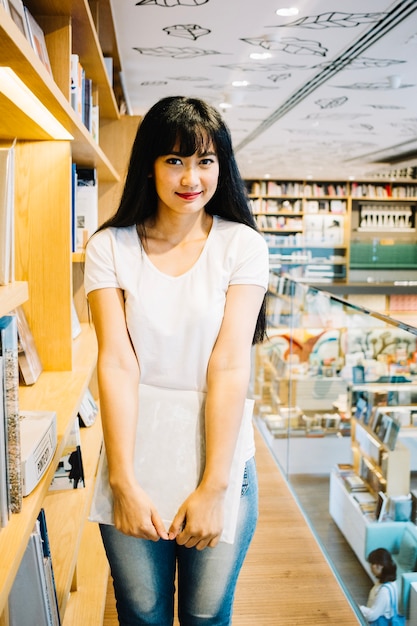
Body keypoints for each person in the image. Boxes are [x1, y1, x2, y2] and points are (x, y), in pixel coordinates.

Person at [84, 96, 269, 625]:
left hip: (222, 460)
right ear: (150, 164)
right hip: (133, 458)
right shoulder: (111, 246)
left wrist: (214, 487)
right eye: (175, 160)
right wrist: (121, 480)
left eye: (205, 161)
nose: (191, 177)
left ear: (222, 167)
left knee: (208, 616)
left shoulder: (243, 246)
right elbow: (117, 363)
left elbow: (230, 364)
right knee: (142, 613)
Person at [360, 548, 400, 623]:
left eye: (372, 564)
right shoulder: (392, 583)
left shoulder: (384, 591)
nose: (371, 567)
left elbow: (372, 615)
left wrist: (360, 608)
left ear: (380, 566)